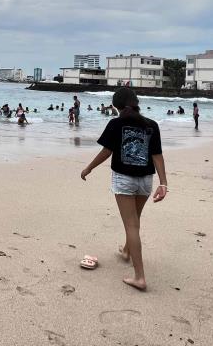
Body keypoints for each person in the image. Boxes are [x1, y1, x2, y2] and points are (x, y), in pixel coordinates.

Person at [80, 87, 167, 291]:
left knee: (131, 226)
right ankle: (127, 251)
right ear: (137, 103)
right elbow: (157, 156)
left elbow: (106, 152)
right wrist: (163, 183)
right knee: (135, 220)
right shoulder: (151, 125)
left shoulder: (116, 123)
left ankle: (140, 277)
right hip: (146, 180)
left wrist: (88, 168)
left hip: (124, 179)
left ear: (116, 106)